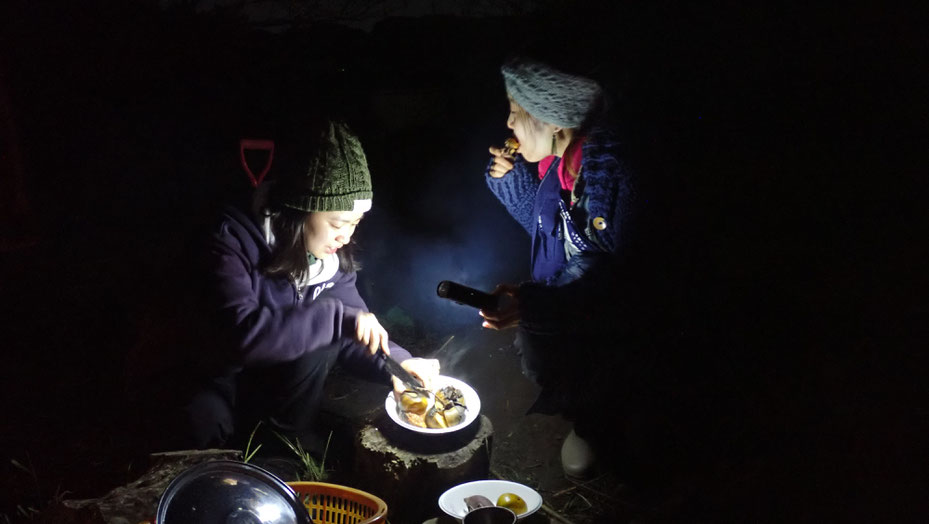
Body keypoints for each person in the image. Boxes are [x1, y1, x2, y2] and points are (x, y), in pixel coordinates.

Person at [127, 120, 439, 452]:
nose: (347, 236)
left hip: (259, 374)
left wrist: (400, 364)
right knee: (204, 431)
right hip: (200, 371)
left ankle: (283, 444)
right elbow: (238, 339)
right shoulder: (227, 242)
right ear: (297, 210)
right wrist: (336, 319)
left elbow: (353, 333)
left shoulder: (327, 257)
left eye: (356, 223)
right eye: (338, 223)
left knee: (327, 332)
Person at [481, 56, 641, 479]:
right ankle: (578, 406)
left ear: (553, 120)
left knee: (601, 364)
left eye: (517, 113)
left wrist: (537, 305)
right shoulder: (559, 166)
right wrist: (511, 180)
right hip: (575, 306)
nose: (508, 124)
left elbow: (611, 275)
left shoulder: (612, 176)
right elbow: (553, 228)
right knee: (548, 343)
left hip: (615, 326)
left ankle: (601, 425)